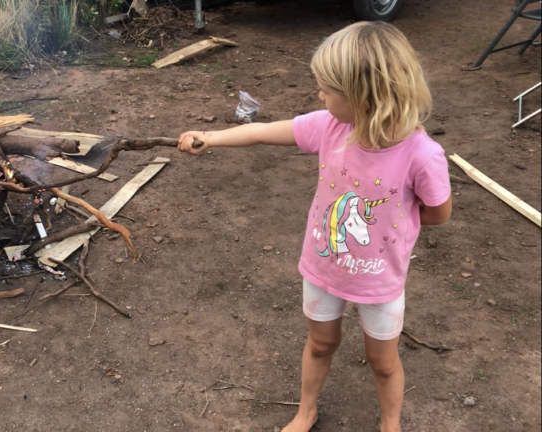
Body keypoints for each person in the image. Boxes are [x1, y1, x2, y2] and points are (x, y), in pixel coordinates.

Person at [177, 21, 452, 432]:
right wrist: (211, 137)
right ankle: (306, 411)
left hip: (380, 282)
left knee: (384, 362)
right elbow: (262, 132)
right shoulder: (330, 125)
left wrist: (391, 226)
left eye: (326, 88)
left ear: (363, 95)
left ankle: (390, 424)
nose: (319, 95)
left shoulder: (423, 155)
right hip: (322, 270)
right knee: (321, 343)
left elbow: (437, 213)